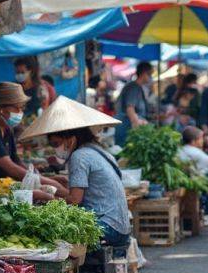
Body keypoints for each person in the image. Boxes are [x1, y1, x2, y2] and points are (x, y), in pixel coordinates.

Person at [20, 97, 131, 246]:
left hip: (107, 227)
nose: (55, 149)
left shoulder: (80, 155)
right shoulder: (97, 150)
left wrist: (46, 198)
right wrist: (61, 189)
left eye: (56, 144)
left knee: (43, 231)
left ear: (71, 139)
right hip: (121, 226)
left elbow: (74, 201)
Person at [114, 61, 154, 145]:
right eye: (149, 74)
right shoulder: (133, 87)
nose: (151, 77)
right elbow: (130, 108)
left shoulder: (137, 87)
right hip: (126, 127)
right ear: (143, 74)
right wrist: (136, 128)